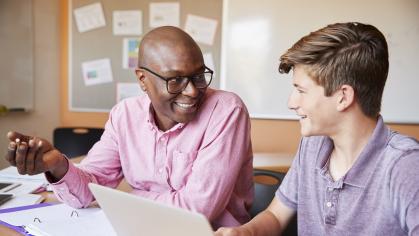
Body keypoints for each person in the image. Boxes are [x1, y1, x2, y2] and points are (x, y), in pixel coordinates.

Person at [4, 26, 254, 229]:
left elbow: (198, 211)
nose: (191, 91)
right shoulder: (124, 115)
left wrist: (120, 200)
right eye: (175, 80)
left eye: (199, 76)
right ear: (143, 79)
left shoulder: (226, 110)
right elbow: (90, 190)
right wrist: (58, 165)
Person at [215, 22, 419, 235]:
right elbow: (275, 216)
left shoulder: (405, 166)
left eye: (301, 91)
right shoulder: (312, 145)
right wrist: (244, 232)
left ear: (343, 97)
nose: (291, 103)